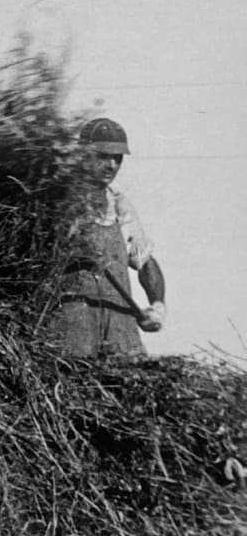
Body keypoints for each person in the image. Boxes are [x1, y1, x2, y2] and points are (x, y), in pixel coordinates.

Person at [46, 117, 168, 358]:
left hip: (120, 319)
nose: (111, 165)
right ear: (83, 156)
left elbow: (144, 261)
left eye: (117, 158)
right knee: (73, 380)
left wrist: (158, 305)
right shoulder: (59, 200)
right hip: (74, 319)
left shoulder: (120, 204)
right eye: (103, 156)